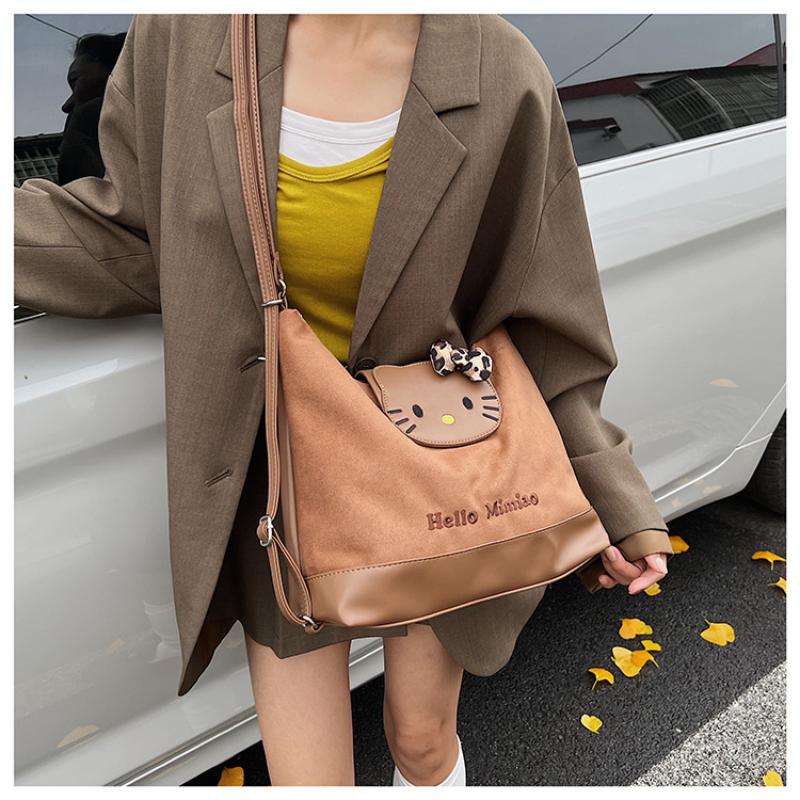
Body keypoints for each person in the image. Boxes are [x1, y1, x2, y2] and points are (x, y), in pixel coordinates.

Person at [14, 14, 672, 787]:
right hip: (280, 483)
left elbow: (542, 307)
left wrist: (610, 490)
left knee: (421, 741)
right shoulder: (185, 35)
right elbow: (132, 231)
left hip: (439, 464)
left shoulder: (498, 68)